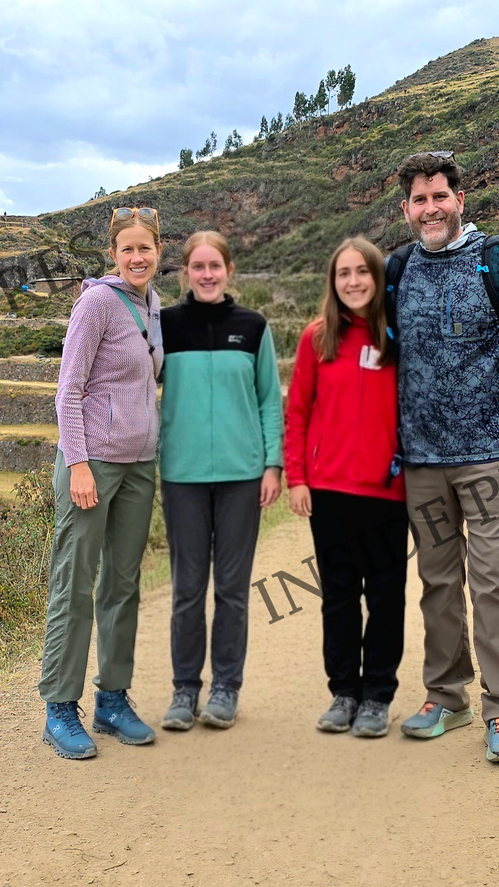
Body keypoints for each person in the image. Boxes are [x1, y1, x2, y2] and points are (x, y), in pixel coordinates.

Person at [387, 151, 499, 763]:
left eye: (440, 197)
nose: (430, 209)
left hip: (490, 458)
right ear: (407, 209)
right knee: (437, 583)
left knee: (494, 581)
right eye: (419, 200)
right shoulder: (398, 269)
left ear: (460, 200)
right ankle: (446, 696)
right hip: (422, 461)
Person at [38, 206, 165, 760]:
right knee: (75, 583)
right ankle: (59, 707)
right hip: (92, 464)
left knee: (122, 584)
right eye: (127, 249)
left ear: (159, 251)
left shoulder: (153, 305)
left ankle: (112, 699)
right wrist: (80, 464)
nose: (137, 257)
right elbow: (68, 390)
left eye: (145, 248)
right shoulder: (95, 303)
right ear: (112, 254)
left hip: (139, 464)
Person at [155, 231, 283, 731]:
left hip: (242, 477)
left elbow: (268, 400)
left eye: (215, 266)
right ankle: (185, 690)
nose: (207, 274)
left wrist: (272, 464)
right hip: (182, 476)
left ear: (229, 270)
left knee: (231, 590)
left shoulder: (253, 327)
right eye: (198, 266)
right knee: (187, 589)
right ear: (185, 272)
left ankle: (226, 688)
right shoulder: (165, 326)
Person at [284, 238, 409, 739]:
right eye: (343, 273)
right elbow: (297, 413)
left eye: (362, 272)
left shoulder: (397, 337)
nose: (353, 282)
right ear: (332, 282)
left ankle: (377, 696)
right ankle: (344, 693)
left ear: (378, 278)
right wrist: (297, 478)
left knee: (386, 598)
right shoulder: (317, 338)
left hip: (387, 492)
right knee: (337, 597)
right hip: (329, 491)